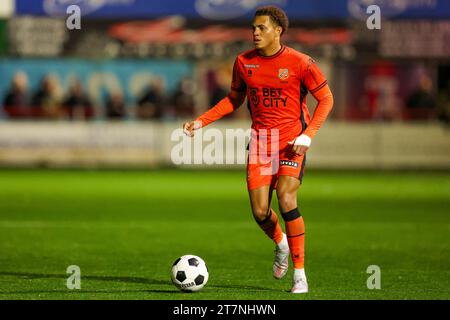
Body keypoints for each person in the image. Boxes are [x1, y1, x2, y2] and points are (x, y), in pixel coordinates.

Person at [183, 6, 333, 294]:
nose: (254, 32)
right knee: (260, 211)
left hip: (291, 143)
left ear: (278, 31)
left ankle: (300, 275)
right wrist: (201, 121)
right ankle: (281, 244)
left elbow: (326, 99)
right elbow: (233, 100)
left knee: (287, 198)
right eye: (253, 27)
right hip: (261, 145)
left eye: (261, 28)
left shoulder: (301, 63)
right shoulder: (243, 62)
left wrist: (308, 135)